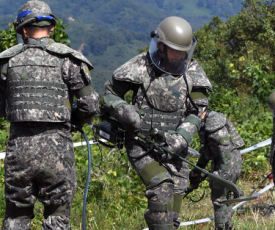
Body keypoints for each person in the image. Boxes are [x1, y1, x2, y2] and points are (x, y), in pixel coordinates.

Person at [102, 16, 212, 229]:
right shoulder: (140, 67)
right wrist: (126, 112)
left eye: (183, 52)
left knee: (172, 213)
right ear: (161, 46)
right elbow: (109, 94)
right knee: (162, 188)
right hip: (142, 145)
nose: (179, 57)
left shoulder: (192, 73)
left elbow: (198, 112)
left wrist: (181, 138)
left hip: (176, 148)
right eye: (174, 51)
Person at [0, 1, 99, 229]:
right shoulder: (69, 61)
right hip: (58, 150)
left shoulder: (6, 63)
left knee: (16, 217)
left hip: (19, 150)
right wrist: (73, 123)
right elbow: (90, 105)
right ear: (51, 28)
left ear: (23, 29)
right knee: (57, 217)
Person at [188, 110, 244, 230]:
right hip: (226, 162)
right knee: (225, 198)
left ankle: (221, 227)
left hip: (228, 163)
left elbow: (225, 152)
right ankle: (227, 226)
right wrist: (197, 171)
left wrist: (221, 175)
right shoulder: (206, 123)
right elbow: (208, 151)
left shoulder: (214, 123)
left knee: (219, 199)